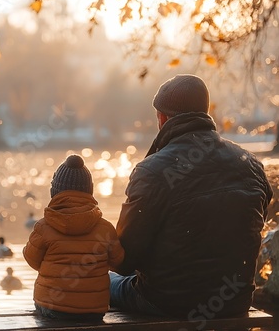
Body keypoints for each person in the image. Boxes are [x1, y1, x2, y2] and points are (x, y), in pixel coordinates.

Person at [109, 74, 273, 322]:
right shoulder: (250, 164)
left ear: (162, 118)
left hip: (168, 303)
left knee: (101, 279)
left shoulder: (152, 171)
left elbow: (124, 259)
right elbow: (256, 220)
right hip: (235, 301)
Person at [23, 154, 124, 321]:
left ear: (54, 191)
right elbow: (118, 260)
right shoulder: (105, 228)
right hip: (94, 310)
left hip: (52, 306)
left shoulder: (44, 227)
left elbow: (32, 259)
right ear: (89, 191)